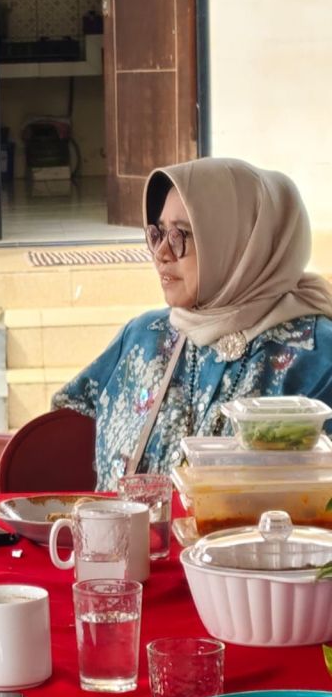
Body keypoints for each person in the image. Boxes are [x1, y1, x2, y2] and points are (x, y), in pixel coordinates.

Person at [53, 157, 332, 490]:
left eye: (181, 234)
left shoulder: (316, 354)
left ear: (240, 242)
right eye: (157, 233)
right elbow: (63, 434)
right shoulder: (145, 335)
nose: (161, 253)